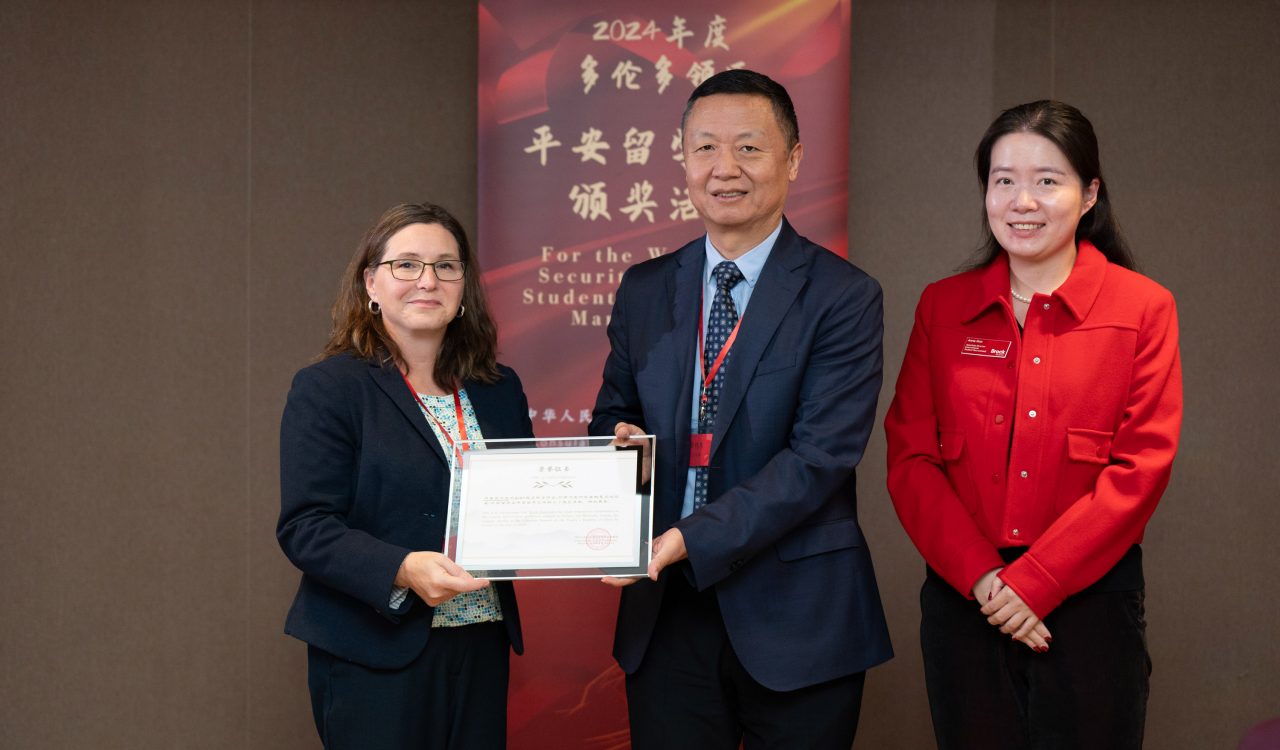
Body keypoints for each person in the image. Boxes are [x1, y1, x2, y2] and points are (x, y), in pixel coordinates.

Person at [590, 69, 892, 749]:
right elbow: (613, 411)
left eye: (749, 148)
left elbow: (820, 458)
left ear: (792, 159)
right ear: (682, 160)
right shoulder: (643, 290)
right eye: (704, 148)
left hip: (798, 614)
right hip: (666, 614)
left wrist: (691, 538)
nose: (724, 168)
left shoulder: (842, 297)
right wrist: (616, 451)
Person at [885, 100, 1182, 749]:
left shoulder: (1143, 307)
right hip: (968, 601)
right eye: (1003, 180)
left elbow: (1141, 468)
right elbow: (911, 458)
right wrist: (987, 580)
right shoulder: (944, 306)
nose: (1023, 201)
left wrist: (1038, 582)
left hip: (1092, 606)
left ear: (1089, 194)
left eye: (1048, 180)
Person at [277, 202, 533, 750]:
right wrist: (402, 568)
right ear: (372, 282)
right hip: (375, 647)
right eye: (407, 265)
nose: (428, 280)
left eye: (446, 266)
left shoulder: (498, 387)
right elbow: (306, 526)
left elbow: (529, 500)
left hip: (481, 642)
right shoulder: (330, 388)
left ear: (464, 285)